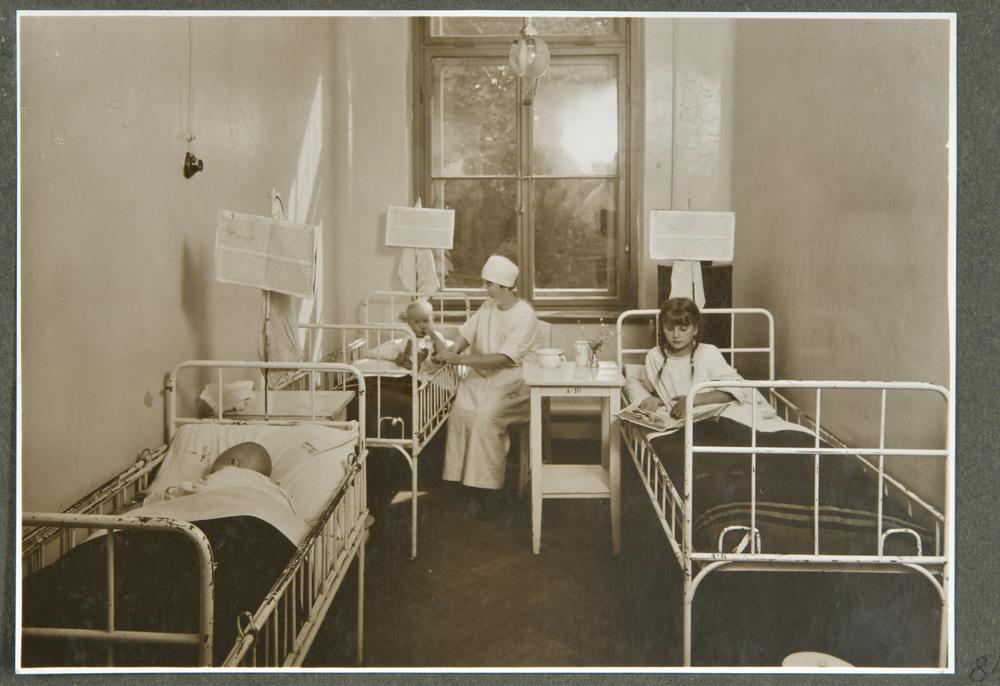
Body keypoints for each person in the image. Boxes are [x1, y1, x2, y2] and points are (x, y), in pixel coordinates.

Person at [433, 255, 542, 520]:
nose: (486, 288)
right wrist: (451, 351)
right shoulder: (488, 307)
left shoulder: (524, 315)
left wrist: (459, 360)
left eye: (490, 284)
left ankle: (490, 492)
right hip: (483, 375)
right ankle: (463, 484)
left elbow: (504, 359)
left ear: (505, 286)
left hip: (515, 379)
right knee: (460, 413)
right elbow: (466, 334)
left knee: (485, 417)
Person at [626, 297, 805, 432]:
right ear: (662, 328)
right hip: (691, 420)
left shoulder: (707, 353)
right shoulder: (655, 356)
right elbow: (656, 386)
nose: (676, 335)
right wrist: (656, 399)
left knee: (738, 429)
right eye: (669, 328)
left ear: (695, 329)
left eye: (683, 329)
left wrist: (691, 400)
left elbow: (734, 391)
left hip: (724, 408)